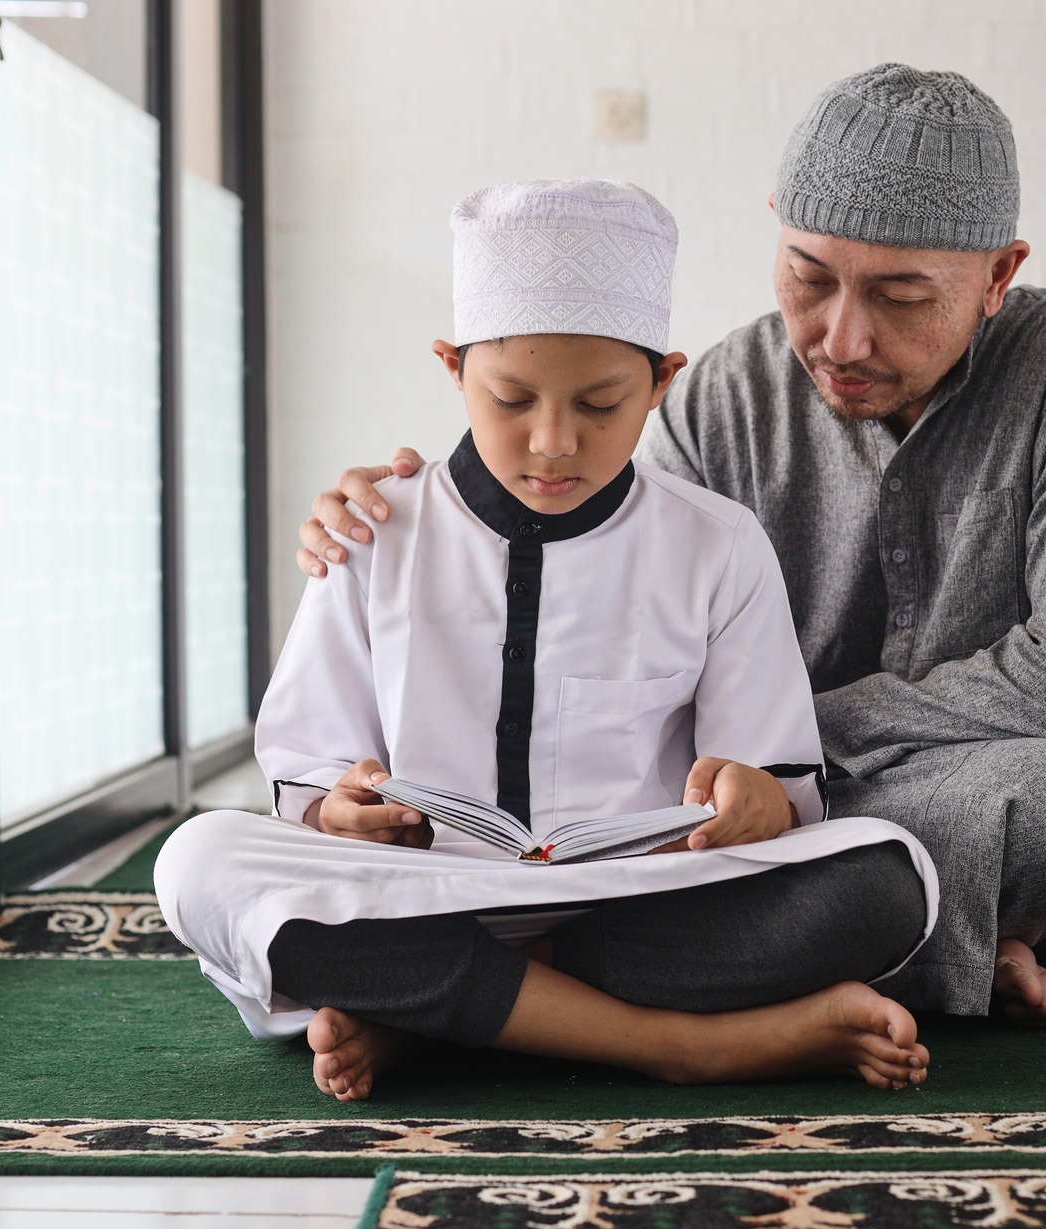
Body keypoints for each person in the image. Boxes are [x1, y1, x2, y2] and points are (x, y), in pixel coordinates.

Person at [298, 65, 1046, 1027]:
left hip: (975, 781)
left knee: (1039, 809)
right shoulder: (722, 393)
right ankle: (893, 955)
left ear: (999, 276)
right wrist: (433, 507)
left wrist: (788, 759)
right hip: (752, 818)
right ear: (776, 224)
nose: (843, 337)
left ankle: (497, 987)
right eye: (809, 277)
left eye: (903, 296)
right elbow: (608, 601)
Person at [157, 179, 939, 1104]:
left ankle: (434, 1014)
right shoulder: (377, 527)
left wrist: (753, 800)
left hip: (634, 904)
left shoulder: (718, 543)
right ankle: (683, 1047)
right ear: (453, 368)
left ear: (661, 382)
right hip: (423, 892)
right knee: (198, 862)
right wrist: (338, 811)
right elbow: (307, 771)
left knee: (892, 877)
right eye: (512, 399)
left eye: (602, 404)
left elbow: (777, 786)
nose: (553, 441)